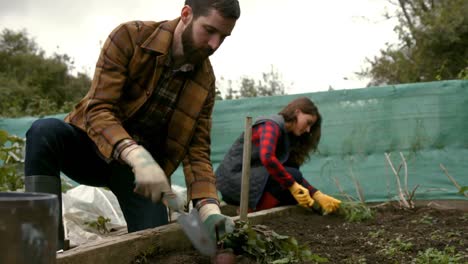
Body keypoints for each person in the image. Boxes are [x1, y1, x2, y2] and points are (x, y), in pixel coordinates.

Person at [24, 0, 240, 250]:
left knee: (154, 248)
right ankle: (42, 242)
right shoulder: (130, 37)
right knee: (44, 131)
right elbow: (99, 109)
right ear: (186, 14)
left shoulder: (204, 83)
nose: (215, 44)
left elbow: (198, 151)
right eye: (209, 30)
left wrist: (209, 208)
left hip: (141, 179)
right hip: (92, 148)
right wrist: (137, 156)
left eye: (223, 36)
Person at [216, 97, 341, 214]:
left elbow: (287, 173)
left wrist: (316, 194)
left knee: (293, 193)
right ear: (297, 112)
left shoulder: (286, 136)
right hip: (235, 181)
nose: (308, 130)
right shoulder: (271, 125)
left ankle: (260, 211)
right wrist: (292, 185)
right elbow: (267, 158)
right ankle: (252, 213)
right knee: (292, 177)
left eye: (311, 126)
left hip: (253, 180)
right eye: (308, 122)